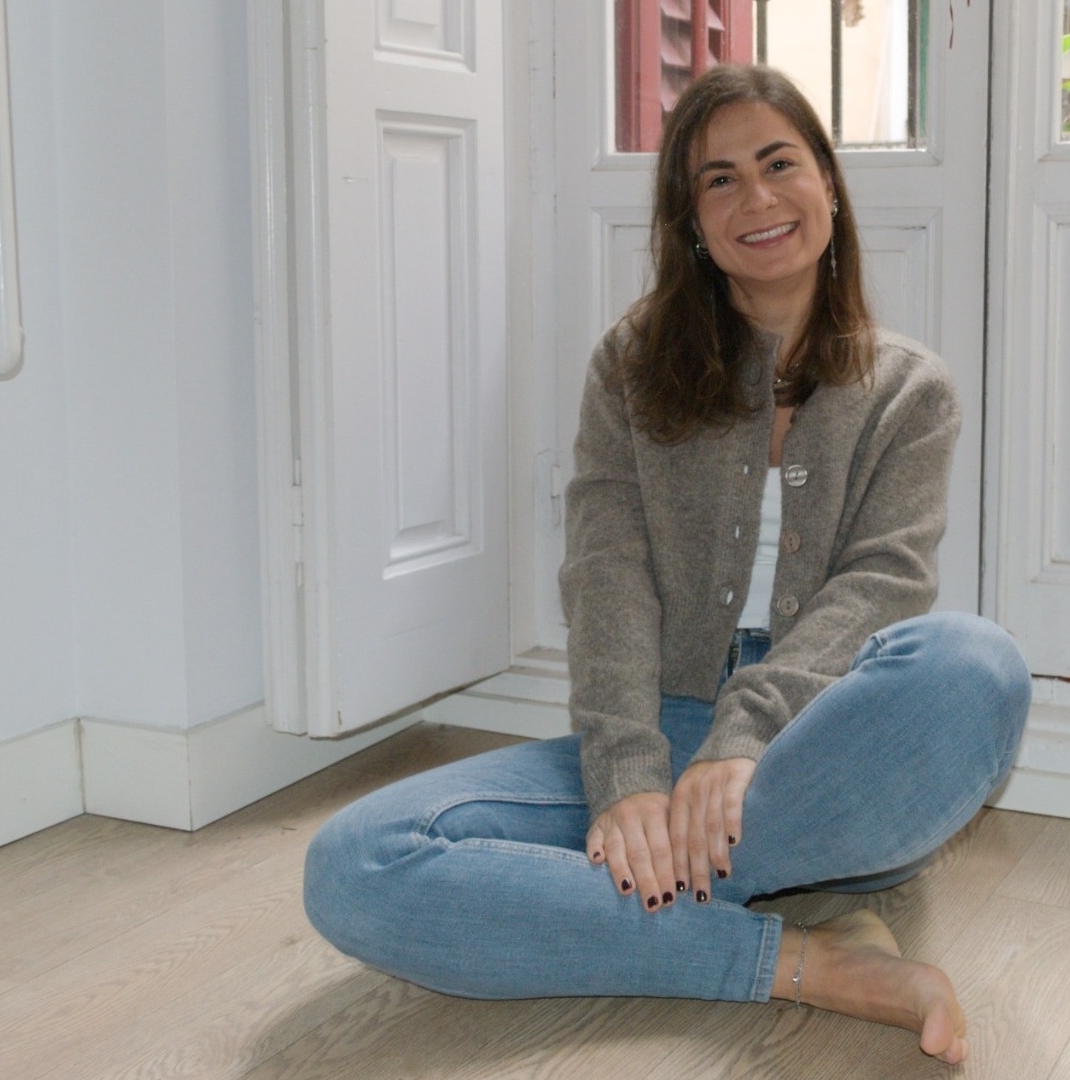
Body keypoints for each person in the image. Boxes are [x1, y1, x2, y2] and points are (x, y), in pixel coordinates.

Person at [304, 64, 1030, 1065]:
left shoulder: (911, 391)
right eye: (718, 180)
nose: (756, 198)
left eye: (779, 164)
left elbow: (883, 584)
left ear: (827, 182)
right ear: (691, 221)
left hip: (812, 755)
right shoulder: (632, 365)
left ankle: (633, 893)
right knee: (355, 864)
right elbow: (606, 572)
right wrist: (627, 778)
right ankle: (800, 953)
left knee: (976, 665)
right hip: (663, 722)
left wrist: (746, 736)